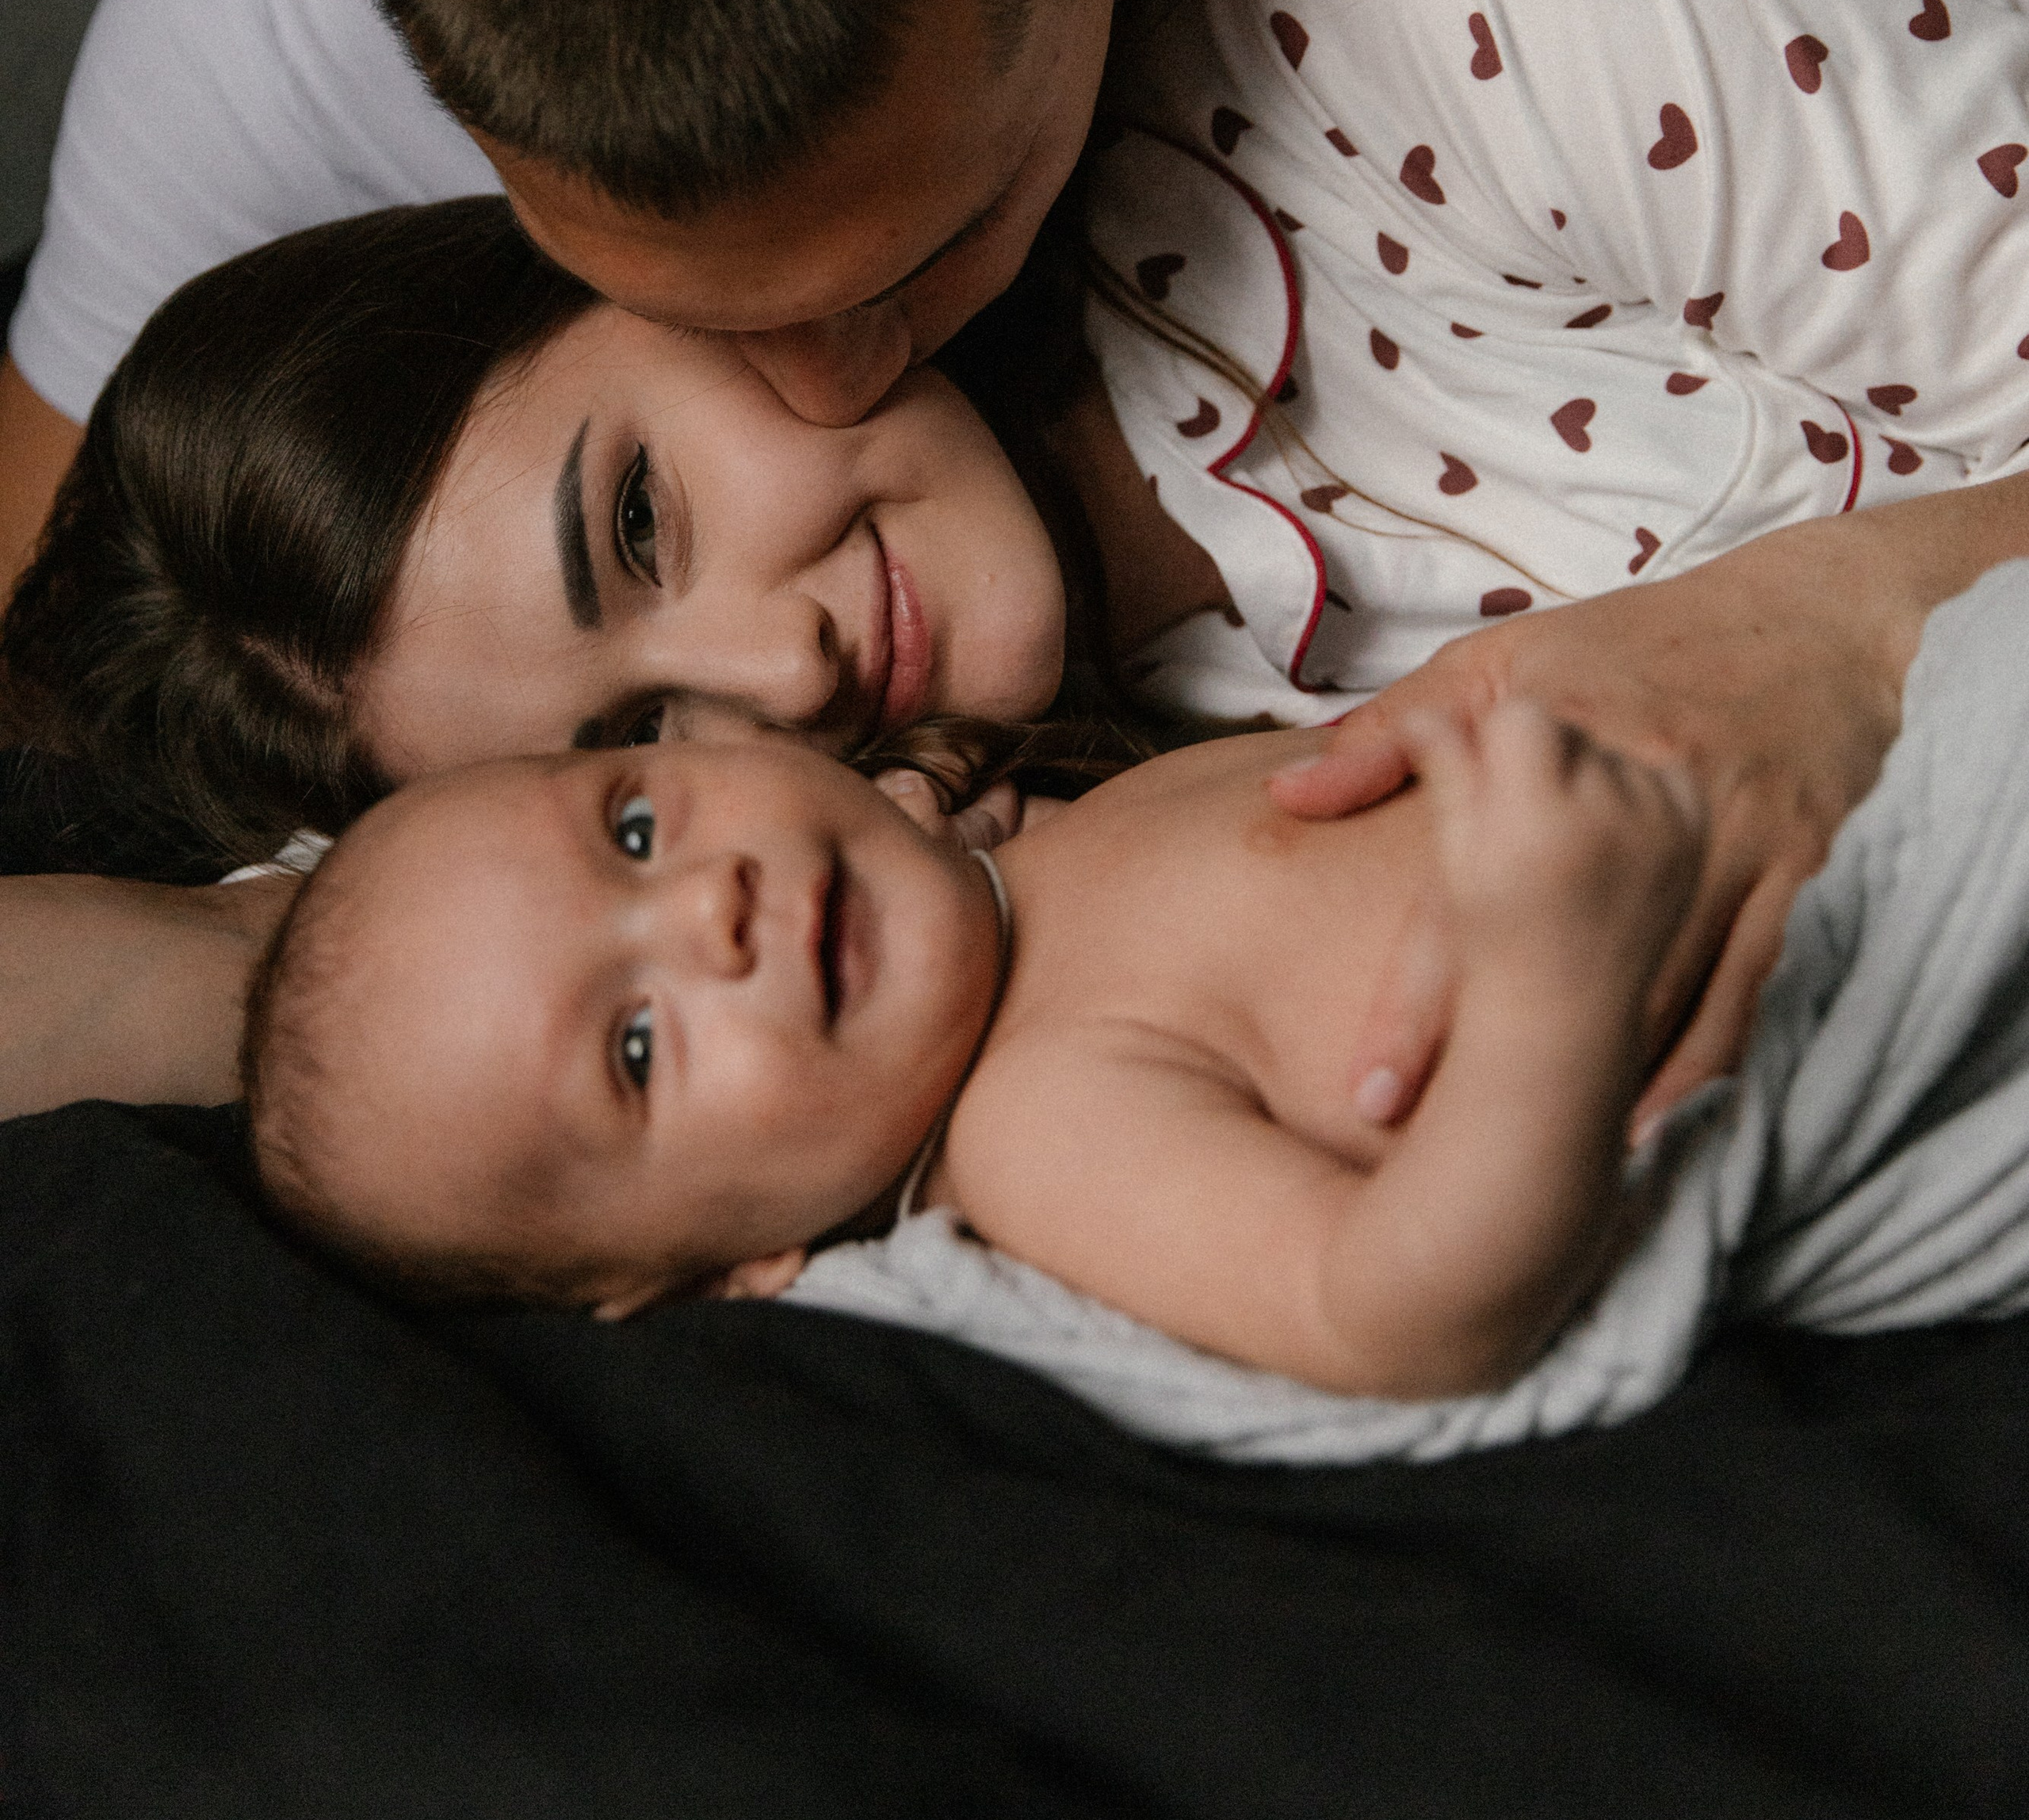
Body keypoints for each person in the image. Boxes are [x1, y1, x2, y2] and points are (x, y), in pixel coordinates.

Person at [10, 0, 2029, 1081]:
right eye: (631, 761)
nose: (776, 682)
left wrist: (1838, 626)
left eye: (636, 519)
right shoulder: (266, 52)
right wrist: (262, 966)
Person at [239, 558, 2029, 1462]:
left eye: (633, 830)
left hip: (1856, 745)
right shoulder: (1039, 1130)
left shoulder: (1051, 845)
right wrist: (1555, 980)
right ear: (726, 1275)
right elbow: (1397, 1310)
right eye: (636, 1048)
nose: (707, 910)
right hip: (1885, 951)